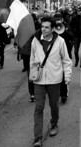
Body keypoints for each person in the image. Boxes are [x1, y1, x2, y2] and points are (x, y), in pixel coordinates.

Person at [30, 17, 72, 147]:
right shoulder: (35, 40)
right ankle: (37, 137)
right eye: (42, 26)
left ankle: (54, 123)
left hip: (54, 79)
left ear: (53, 28)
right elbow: (32, 58)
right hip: (39, 80)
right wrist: (33, 73)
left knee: (54, 105)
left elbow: (66, 60)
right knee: (39, 107)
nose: (44, 29)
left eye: (47, 27)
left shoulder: (60, 41)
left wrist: (67, 76)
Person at [53, 13, 74, 103]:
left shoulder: (66, 26)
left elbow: (71, 36)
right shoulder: (51, 28)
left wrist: (65, 30)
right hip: (54, 55)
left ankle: (64, 94)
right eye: (56, 19)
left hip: (65, 52)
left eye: (59, 19)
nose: (58, 21)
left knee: (65, 74)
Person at [18, 35, 35, 102]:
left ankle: (35, 92)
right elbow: (22, 48)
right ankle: (32, 93)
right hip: (29, 58)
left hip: (37, 58)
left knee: (36, 76)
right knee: (31, 76)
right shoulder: (26, 35)